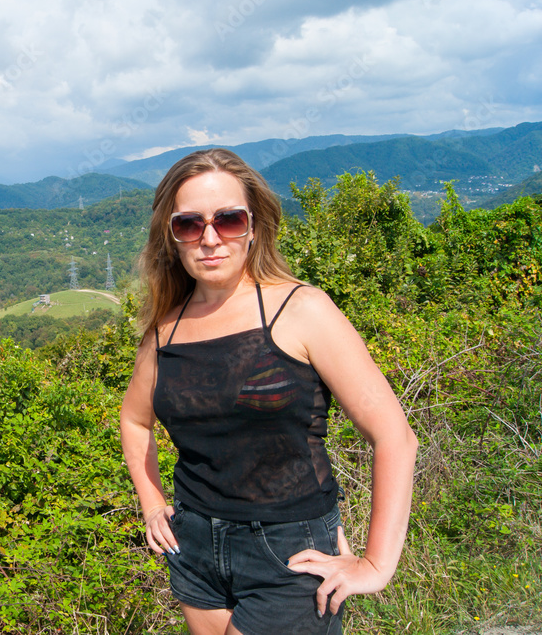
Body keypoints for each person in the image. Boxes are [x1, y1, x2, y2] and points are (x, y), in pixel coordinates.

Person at [119, 149, 418, 634]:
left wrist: (377, 564)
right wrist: (152, 503)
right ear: (171, 236)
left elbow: (395, 437)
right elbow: (134, 420)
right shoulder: (165, 332)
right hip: (195, 546)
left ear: (254, 226)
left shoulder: (301, 310)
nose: (210, 238)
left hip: (289, 550)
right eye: (190, 224)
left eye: (229, 220)